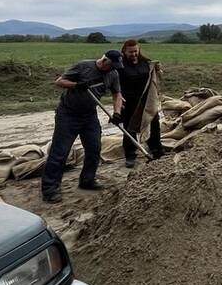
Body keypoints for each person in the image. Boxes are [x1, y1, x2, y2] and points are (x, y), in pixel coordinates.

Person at [41, 50, 124, 203]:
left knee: (94, 148)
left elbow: (117, 94)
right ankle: (49, 189)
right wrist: (77, 85)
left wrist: (117, 113)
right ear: (104, 60)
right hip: (68, 115)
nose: (114, 69)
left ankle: (87, 180)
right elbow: (59, 81)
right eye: (112, 65)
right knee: (60, 152)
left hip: (89, 116)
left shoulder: (113, 73)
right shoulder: (83, 66)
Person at [118, 39, 165, 168]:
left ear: (139, 50)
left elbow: (154, 76)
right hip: (129, 102)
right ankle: (130, 155)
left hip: (147, 100)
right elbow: (114, 85)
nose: (133, 54)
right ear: (124, 51)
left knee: (154, 124)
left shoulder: (145, 62)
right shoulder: (120, 65)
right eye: (130, 52)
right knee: (129, 127)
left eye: (135, 51)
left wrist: (157, 69)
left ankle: (156, 150)